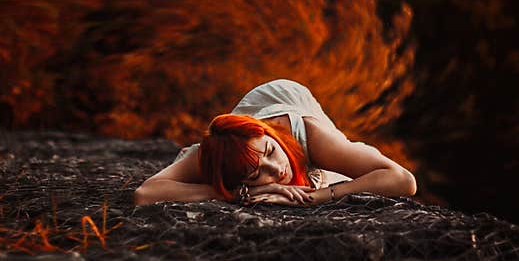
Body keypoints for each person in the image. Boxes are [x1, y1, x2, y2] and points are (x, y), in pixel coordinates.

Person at [133, 79, 417, 206]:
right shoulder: (215, 156)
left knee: (338, 169)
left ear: (267, 136)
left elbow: (403, 180)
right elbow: (145, 193)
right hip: (239, 140)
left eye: (269, 153)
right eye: (257, 174)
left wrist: (314, 198)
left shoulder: (312, 136)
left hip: (284, 100)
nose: (276, 170)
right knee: (226, 150)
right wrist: (230, 194)